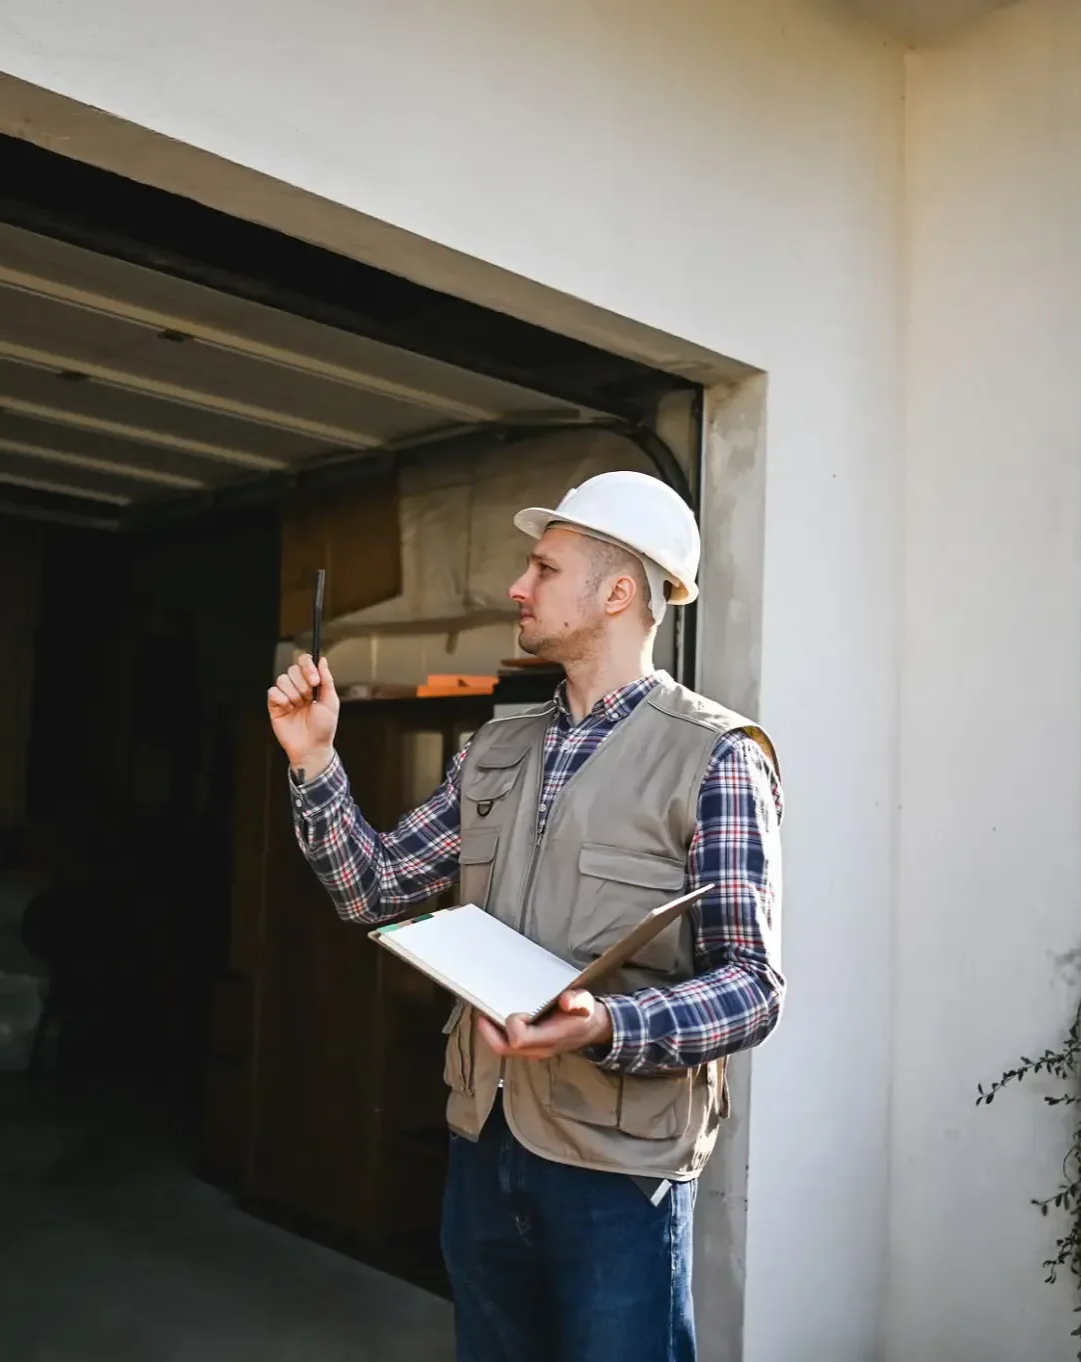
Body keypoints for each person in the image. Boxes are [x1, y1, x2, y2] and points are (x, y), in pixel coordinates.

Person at [266, 470, 784, 1362]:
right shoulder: (494, 749)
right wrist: (314, 763)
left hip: (616, 1176)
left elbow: (752, 989)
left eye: (543, 568)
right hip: (483, 1144)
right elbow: (375, 889)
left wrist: (605, 1024)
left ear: (618, 592)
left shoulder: (716, 758)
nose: (517, 586)